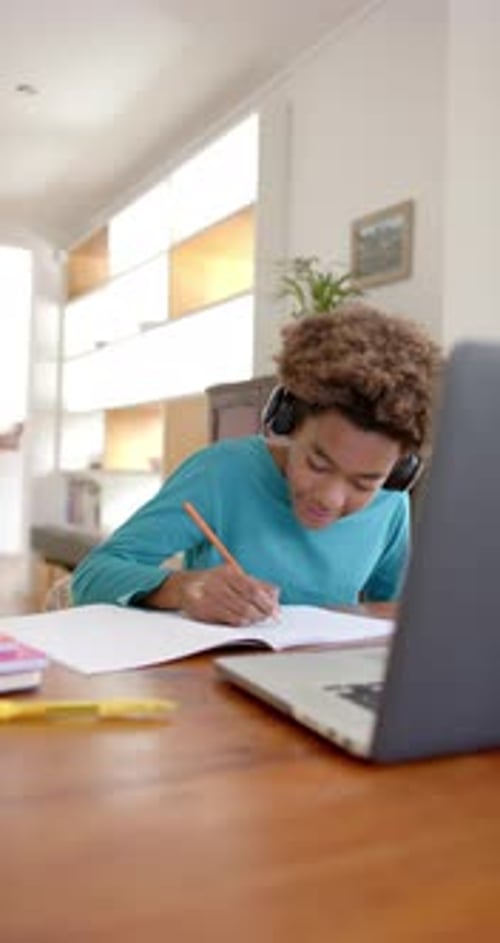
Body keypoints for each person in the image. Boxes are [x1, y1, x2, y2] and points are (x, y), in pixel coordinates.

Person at [72, 303, 441, 626]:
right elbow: (91, 576)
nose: (330, 498)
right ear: (287, 421)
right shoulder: (221, 473)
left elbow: (394, 614)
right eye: (317, 463)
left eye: (363, 484)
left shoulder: (391, 504)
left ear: (398, 471)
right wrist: (185, 588)